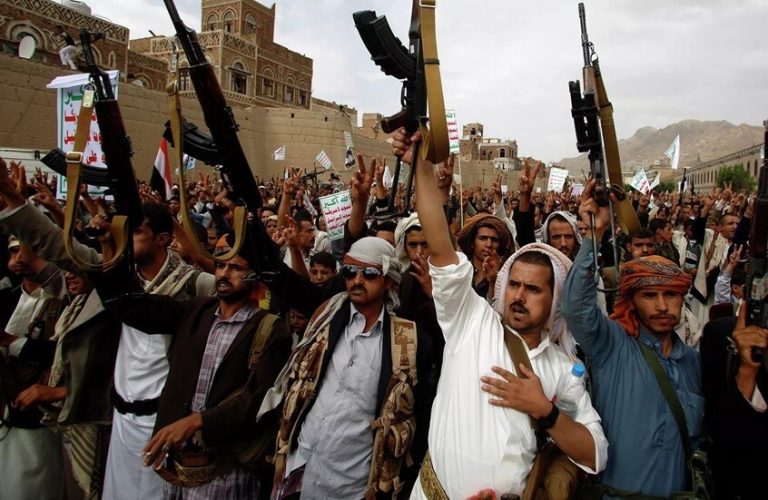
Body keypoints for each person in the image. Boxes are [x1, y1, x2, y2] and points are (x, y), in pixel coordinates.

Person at [393, 130, 606, 498]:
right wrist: (422, 167)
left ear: (554, 301)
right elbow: (440, 246)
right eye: (514, 284)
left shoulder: (562, 368)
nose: (519, 296)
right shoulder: (471, 320)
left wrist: (544, 411)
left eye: (533, 289)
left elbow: (595, 454)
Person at [0, 161, 216, 500]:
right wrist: (15, 200)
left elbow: (240, 292)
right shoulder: (114, 276)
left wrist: (200, 254)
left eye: (136, 232)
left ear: (162, 239)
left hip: (167, 422)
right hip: (117, 420)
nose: (125, 240)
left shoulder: (195, 287)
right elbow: (57, 246)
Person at [92, 233, 291, 499]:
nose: (224, 274)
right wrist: (108, 243)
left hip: (227, 472)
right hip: (179, 468)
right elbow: (133, 307)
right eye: (220, 265)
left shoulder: (268, 329)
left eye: (236, 268)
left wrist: (198, 422)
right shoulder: (197, 311)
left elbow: (258, 401)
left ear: (255, 275)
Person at [562, 179, 704, 497]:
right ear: (632, 301)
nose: (663, 306)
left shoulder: (692, 361)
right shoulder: (613, 346)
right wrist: (594, 235)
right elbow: (576, 308)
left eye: (671, 295)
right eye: (650, 295)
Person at [261, 237, 433, 499]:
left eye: (369, 274)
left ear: (388, 281)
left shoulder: (408, 342)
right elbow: (280, 277)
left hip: (352, 484)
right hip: (298, 470)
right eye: (350, 272)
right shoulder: (327, 316)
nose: (357, 281)